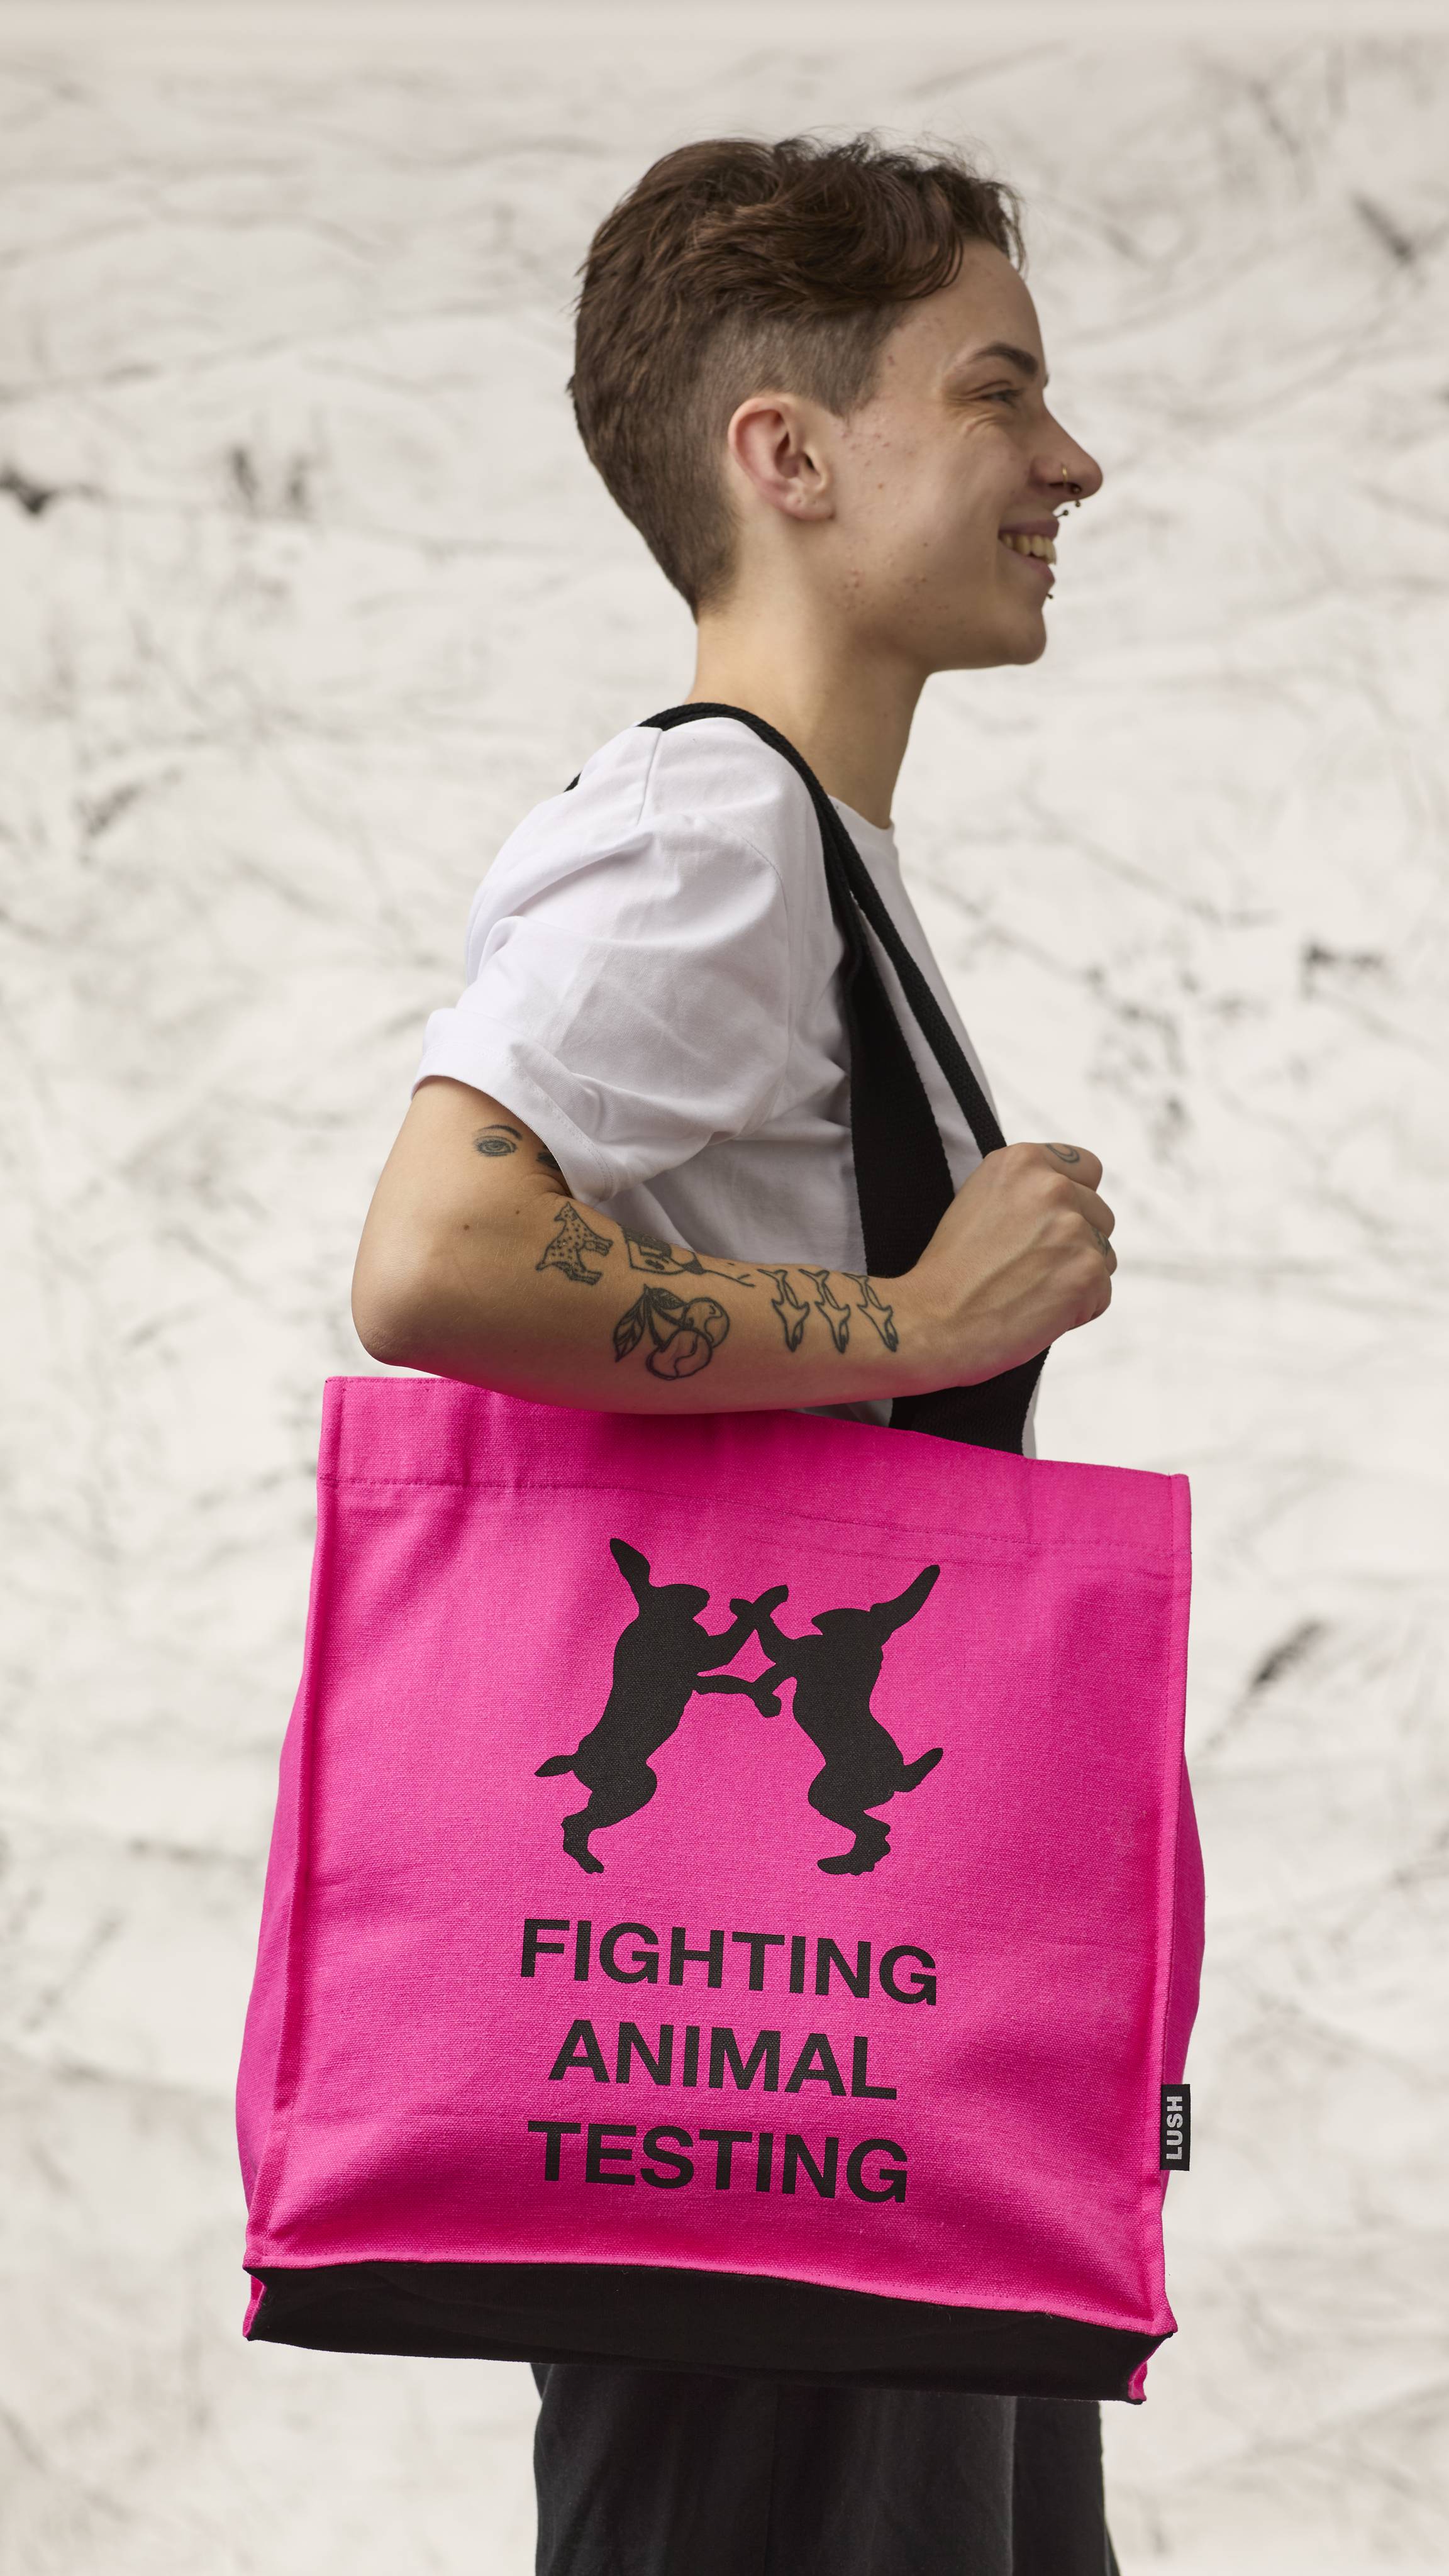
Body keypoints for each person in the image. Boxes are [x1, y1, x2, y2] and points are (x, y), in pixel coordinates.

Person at [352, 133, 1117, 2576]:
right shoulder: (714, 836)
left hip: (814, 2003)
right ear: (784, 455)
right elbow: (436, 1256)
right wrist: (918, 1317)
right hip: (765, 2014)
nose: (1071, 460)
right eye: (997, 393)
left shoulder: (804, 862)